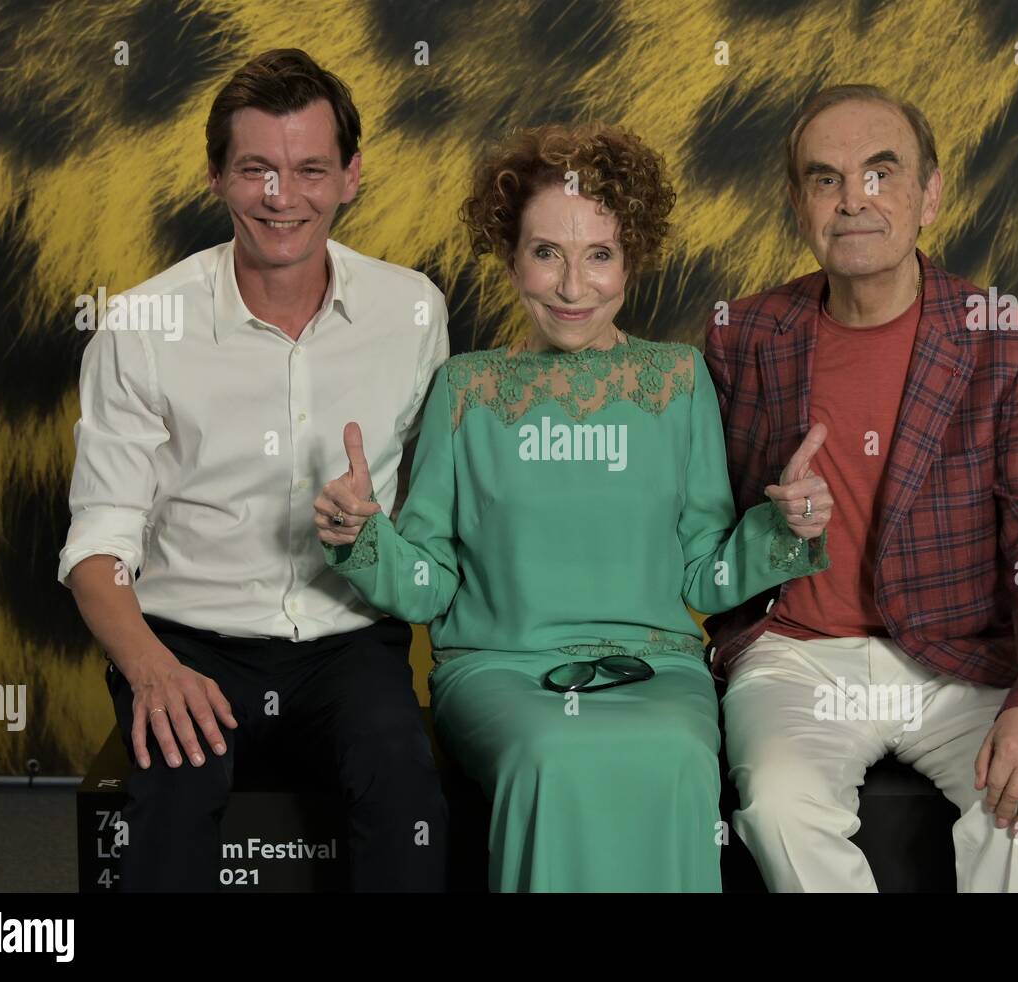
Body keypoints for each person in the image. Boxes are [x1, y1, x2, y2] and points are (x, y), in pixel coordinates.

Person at [315, 122, 830, 892]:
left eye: (599, 255)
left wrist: (783, 528)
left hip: (656, 669)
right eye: (546, 253)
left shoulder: (679, 381)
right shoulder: (465, 387)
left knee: (681, 756)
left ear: (631, 260)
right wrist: (362, 538)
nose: (572, 286)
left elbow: (702, 576)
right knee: (553, 755)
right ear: (511, 256)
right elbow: (429, 587)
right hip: (499, 670)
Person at [58, 49, 449, 891]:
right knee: (172, 789)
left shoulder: (413, 310)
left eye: (310, 169)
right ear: (216, 178)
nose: (283, 196)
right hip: (187, 640)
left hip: (347, 643)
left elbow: (441, 519)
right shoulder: (141, 326)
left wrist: (374, 531)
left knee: (404, 785)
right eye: (257, 170)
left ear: (351, 176)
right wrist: (152, 669)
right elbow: (97, 544)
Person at [705, 84, 1018, 892]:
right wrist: (771, 524)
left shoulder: (1009, 341)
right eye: (825, 179)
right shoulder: (740, 334)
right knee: (781, 807)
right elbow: (697, 534)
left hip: (961, 660)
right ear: (798, 205)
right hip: (797, 656)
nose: (854, 199)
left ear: (930, 196)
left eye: (881, 174)